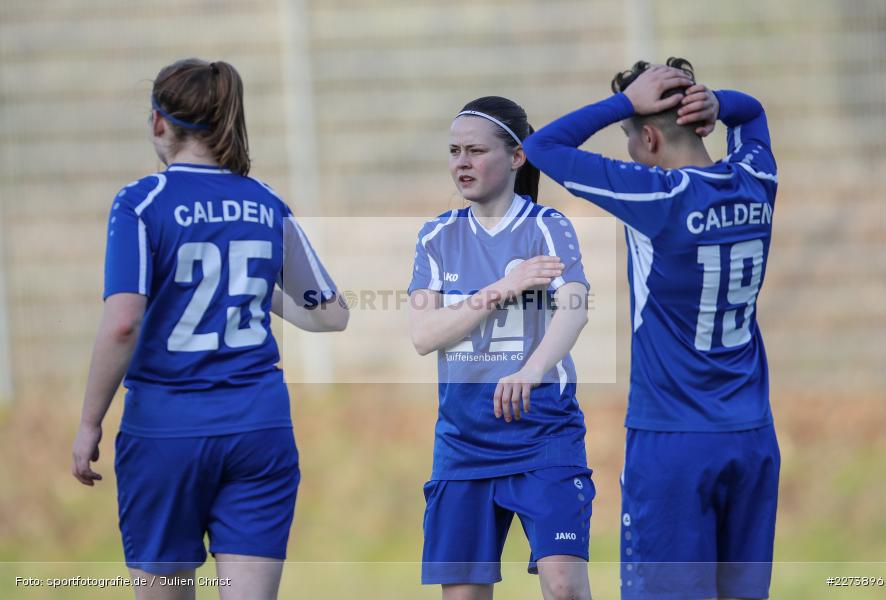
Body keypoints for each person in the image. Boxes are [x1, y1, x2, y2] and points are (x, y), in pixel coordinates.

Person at [71, 58, 348, 600]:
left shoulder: (141, 203)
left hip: (166, 431)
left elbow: (123, 323)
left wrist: (88, 423)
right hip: (259, 430)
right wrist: (245, 294)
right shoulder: (267, 203)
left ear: (158, 122)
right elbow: (331, 312)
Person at [523, 59, 780, 599]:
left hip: (672, 443)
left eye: (629, 137)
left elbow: (543, 147)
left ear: (647, 136)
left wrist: (624, 100)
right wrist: (717, 103)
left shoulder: (659, 197)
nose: (630, 152)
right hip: (753, 437)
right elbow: (751, 112)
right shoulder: (757, 179)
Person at [408, 96, 594, 600]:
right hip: (464, 443)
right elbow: (424, 335)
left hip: (542, 435)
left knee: (564, 587)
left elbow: (574, 307)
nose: (461, 163)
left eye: (475, 150)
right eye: (453, 151)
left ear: (516, 157)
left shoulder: (545, 226)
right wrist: (502, 287)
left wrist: (531, 370)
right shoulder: (435, 237)